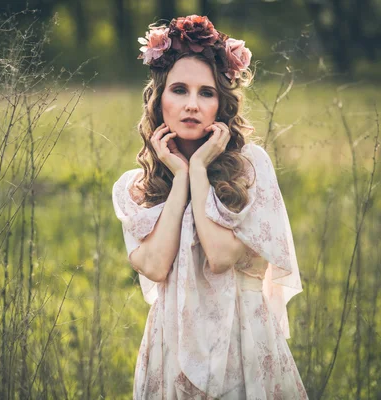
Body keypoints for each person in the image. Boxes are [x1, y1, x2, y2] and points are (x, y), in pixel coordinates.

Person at [112, 15, 308, 399]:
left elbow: (219, 257)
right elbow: (153, 265)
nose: (191, 105)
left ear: (221, 103)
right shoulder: (133, 187)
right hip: (170, 340)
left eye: (206, 93)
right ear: (158, 99)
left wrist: (199, 169)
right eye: (179, 90)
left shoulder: (251, 167)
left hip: (243, 337)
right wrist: (179, 177)